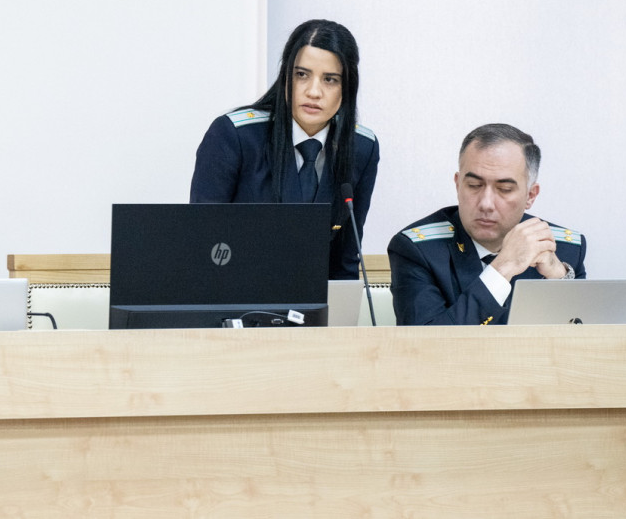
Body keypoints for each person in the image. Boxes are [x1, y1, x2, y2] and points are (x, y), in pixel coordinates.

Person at [190, 19, 380, 279]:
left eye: (330, 80)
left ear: (347, 88)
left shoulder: (362, 147)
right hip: (234, 300)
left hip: (315, 309)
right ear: (285, 77)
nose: (313, 92)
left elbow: (344, 260)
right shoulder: (234, 135)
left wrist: (338, 316)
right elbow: (202, 246)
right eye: (301, 75)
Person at [388, 123, 586, 325]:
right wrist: (502, 268)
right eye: (474, 186)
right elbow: (426, 346)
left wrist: (559, 279)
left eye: (505, 189)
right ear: (458, 185)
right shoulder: (417, 250)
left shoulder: (565, 248)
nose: (486, 203)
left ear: (530, 195)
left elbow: (585, 343)